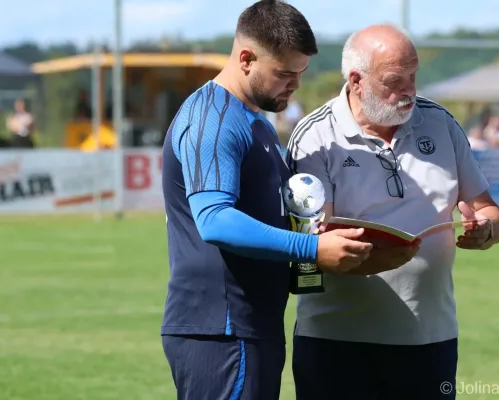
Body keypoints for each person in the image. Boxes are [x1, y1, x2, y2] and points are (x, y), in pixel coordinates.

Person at [160, 1, 373, 399]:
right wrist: (312, 247)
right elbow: (215, 220)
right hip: (220, 330)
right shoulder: (213, 118)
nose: (294, 85)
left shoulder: (253, 117)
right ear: (246, 58)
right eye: (284, 74)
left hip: (249, 326)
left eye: (300, 74)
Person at [286, 24, 499, 400]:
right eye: (394, 80)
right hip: (337, 342)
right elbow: (312, 247)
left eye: (414, 76)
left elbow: (489, 210)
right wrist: (382, 258)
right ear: (356, 80)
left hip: (430, 340)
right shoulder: (315, 137)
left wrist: (486, 229)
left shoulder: (441, 124)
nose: (409, 90)